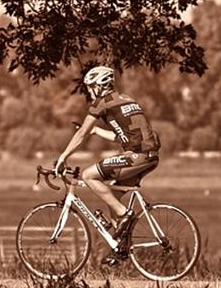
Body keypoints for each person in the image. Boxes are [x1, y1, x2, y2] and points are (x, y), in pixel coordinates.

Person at [55, 66, 160, 254]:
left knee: (88, 176)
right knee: (114, 197)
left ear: (98, 86)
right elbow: (122, 137)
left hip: (137, 157)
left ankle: (125, 214)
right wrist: (96, 131)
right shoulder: (127, 100)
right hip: (150, 157)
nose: (89, 92)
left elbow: (81, 134)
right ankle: (121, 250)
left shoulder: (102, 103)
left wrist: (63, 156)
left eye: (89, 88)